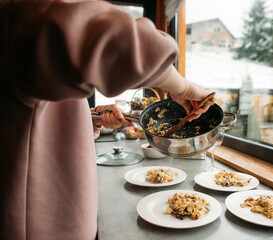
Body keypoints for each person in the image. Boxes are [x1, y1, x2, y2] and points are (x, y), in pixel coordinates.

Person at [0, 0, 214, 239]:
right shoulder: (18, 15)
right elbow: (120, 42)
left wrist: (90, 120)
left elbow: (34, 120)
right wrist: (183, 87)